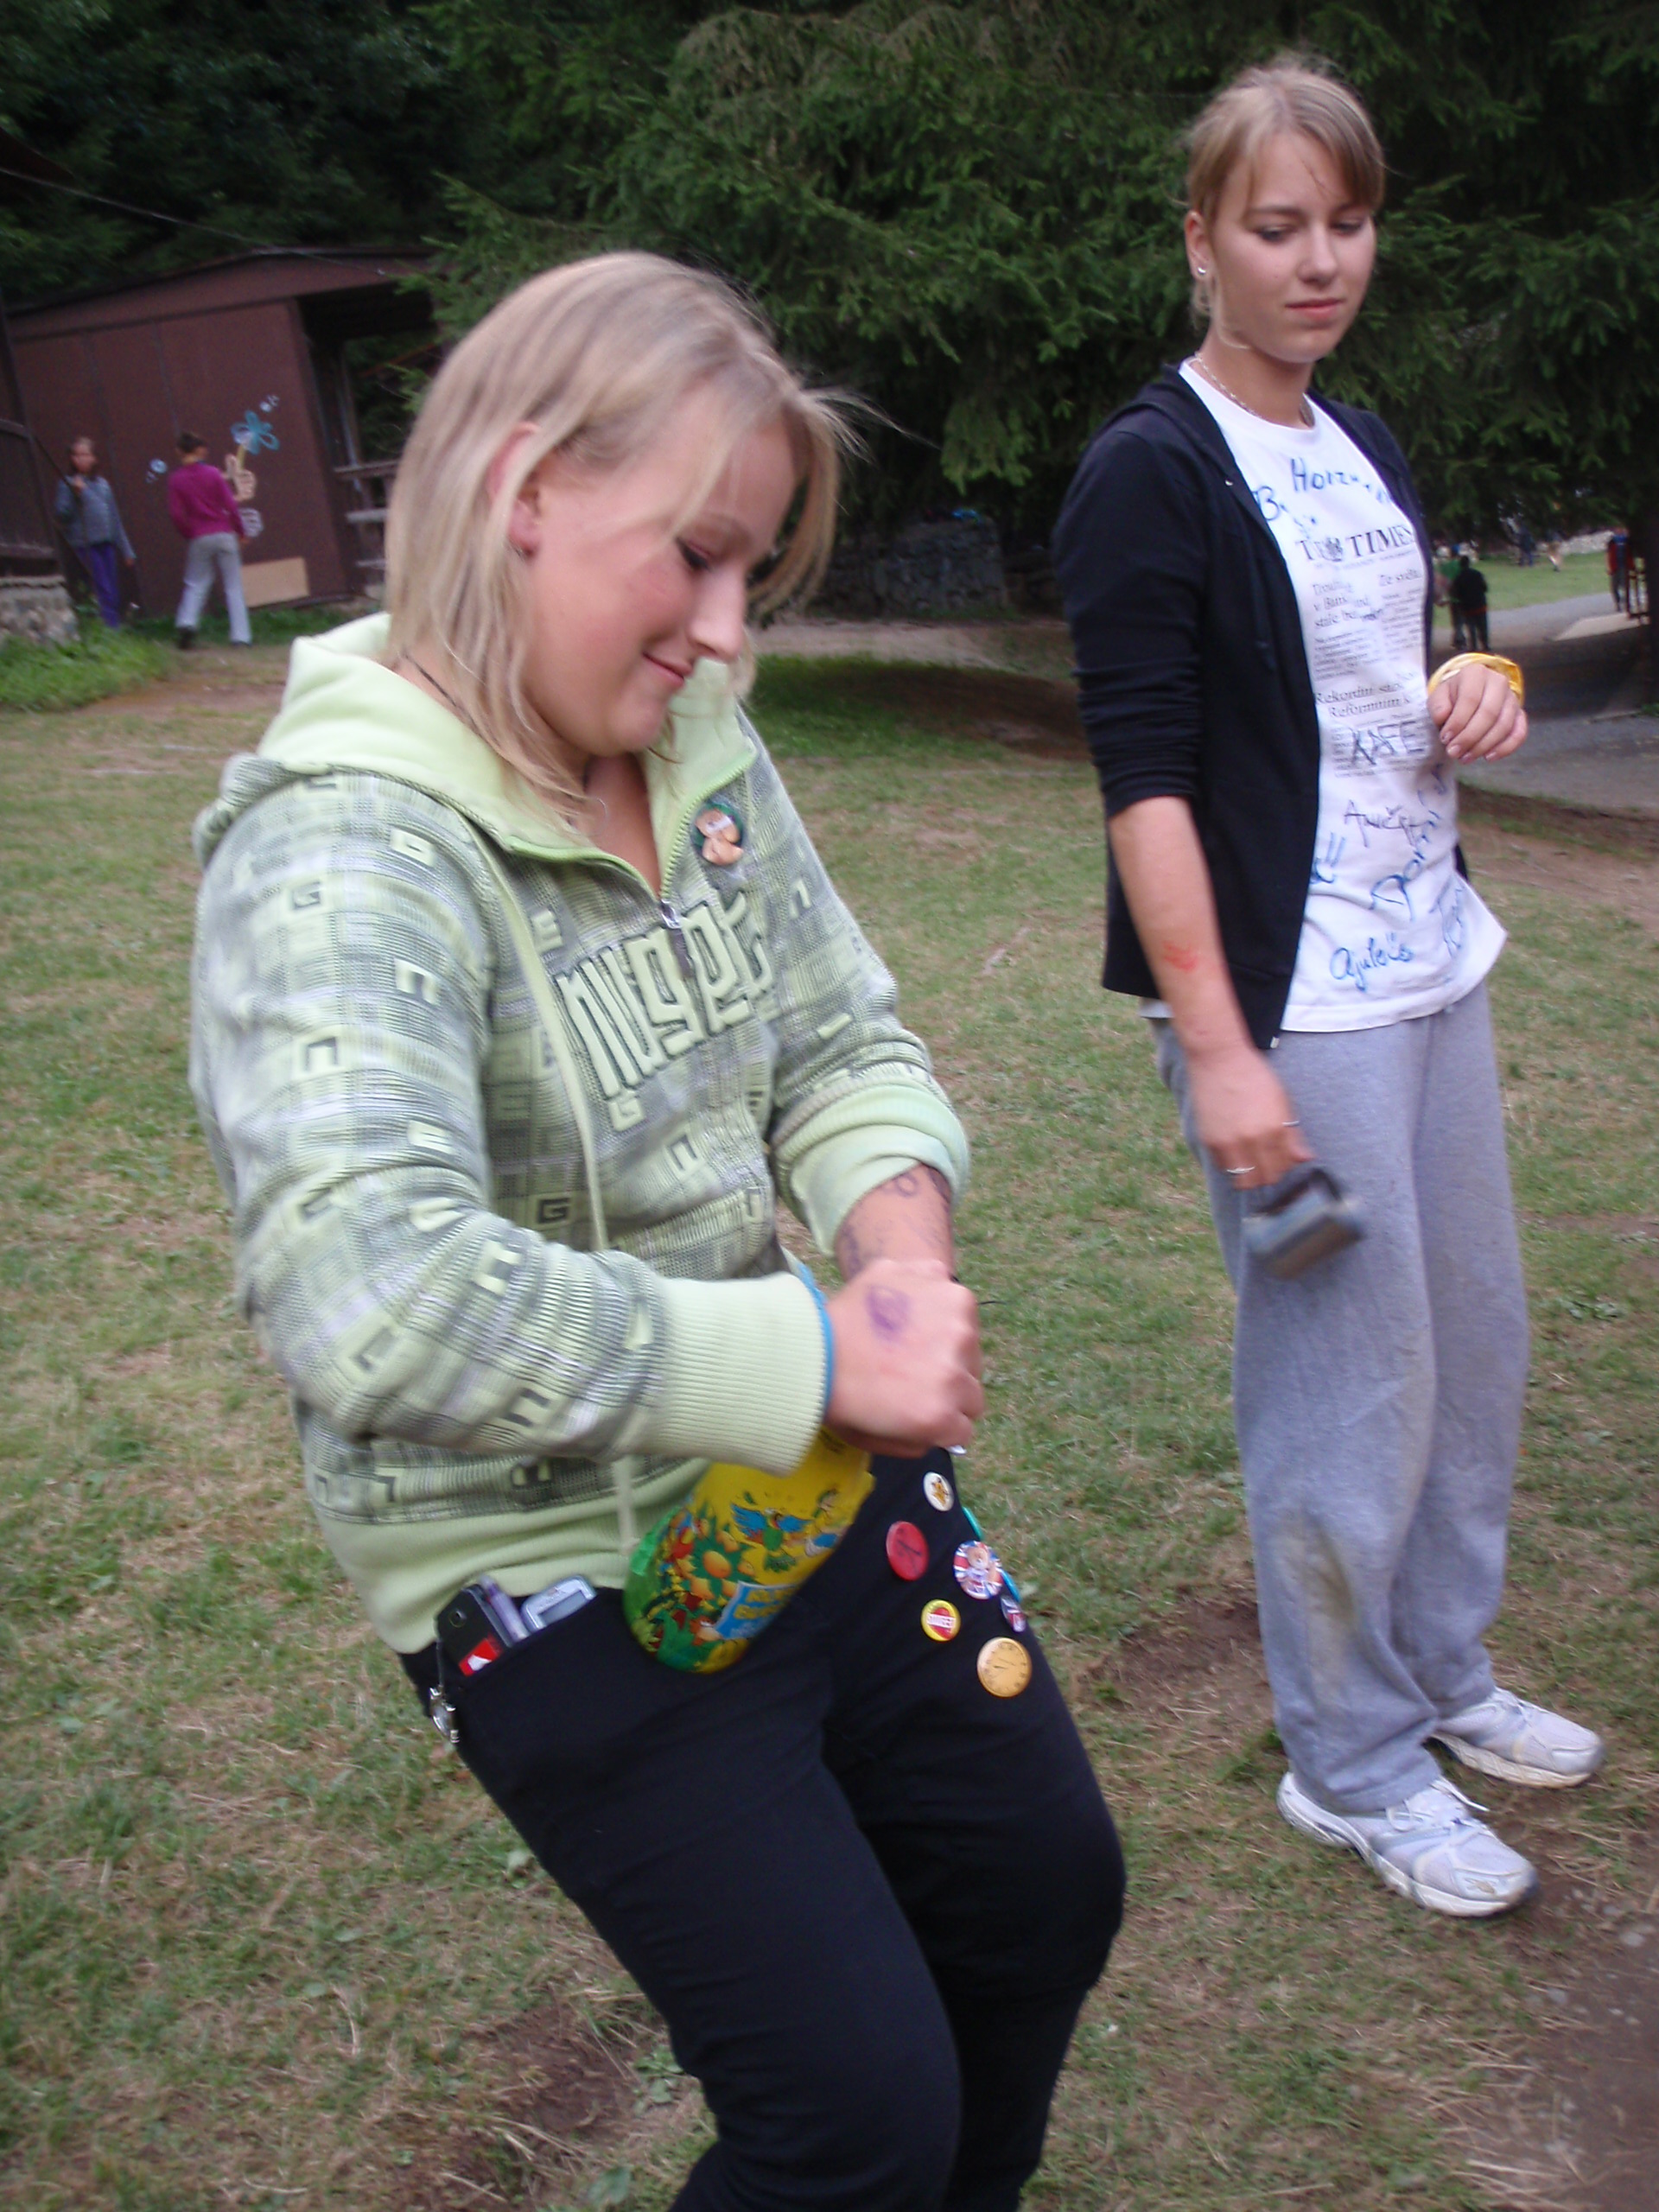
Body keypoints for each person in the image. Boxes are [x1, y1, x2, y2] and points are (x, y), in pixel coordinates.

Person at [190, 253, 1123, 2210]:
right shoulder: (339, 844)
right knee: (854, 2114)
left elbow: (839, 1038)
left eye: (750, 571)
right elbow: (369, 1294)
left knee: (1040, 1896)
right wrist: (813, 1350)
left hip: (799, 1472)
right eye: (694, 557)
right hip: (550, 1572)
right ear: (524, 485)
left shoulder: (697, 747)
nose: (724, 632)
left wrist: (894, 1254)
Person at [1053, 56, 1603, 1923]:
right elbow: (1147, 783)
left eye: (1347, 224)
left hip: (1433, 957)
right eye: (1277, 226)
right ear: (1201, 239)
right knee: (1350, 1389)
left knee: (1474, 1344)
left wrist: (1480, 688)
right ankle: (1350, 1761)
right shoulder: (1148, 469)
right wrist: (1217, 1046)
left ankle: (1441, 1670)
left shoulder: (1360, 440)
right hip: (1297, 1007)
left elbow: (1388, 685)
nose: (1318, 261)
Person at [167, 431, 250, 647]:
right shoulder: (213, 474)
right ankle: (240, 637)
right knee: (233, 586)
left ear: (179, 452)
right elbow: (230, 506)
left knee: (196, 582)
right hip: (224, 533)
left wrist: (188, 533)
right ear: (199, 450)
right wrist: (241, 532)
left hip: (199, 536)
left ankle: (187, 622)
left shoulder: (176, 480)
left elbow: (176, 515)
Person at [53, 435, 134, 628]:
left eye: (85, 454)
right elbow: (62, 515)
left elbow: (114, 518)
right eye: (76, 455)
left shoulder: (103, 485)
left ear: (93, 458)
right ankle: (110, 628)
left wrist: (126, 549)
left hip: (106, 543)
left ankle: (112, 625)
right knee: (102, 588)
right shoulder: (67, 484)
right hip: (85, 544)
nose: (80, 459)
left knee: (112, 587)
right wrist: (76, 495)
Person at [1450, 552, 1491, 652]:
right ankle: (1485, 645)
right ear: (1469, 563)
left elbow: (1456, 593)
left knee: (1471, 628)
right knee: (1482, 626)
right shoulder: (1477, 574)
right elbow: (1485, 588)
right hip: (1480, 604)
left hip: (1467, 607)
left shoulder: (1458, 578)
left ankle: (1474, 646)